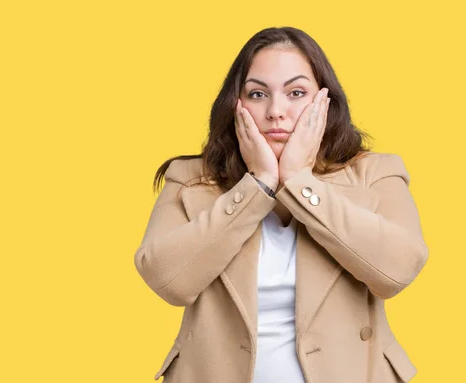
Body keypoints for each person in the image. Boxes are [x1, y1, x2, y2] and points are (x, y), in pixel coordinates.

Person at [133, 26, 428, 383]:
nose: (276, 111)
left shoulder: (377, 172)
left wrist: (299, 183)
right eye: (258, 93)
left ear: (324, 101)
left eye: (296, 92)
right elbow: (169, 281)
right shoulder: (190, 178)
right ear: (236, 105)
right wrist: (257, 186)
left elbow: (396, 271)